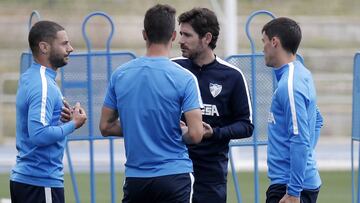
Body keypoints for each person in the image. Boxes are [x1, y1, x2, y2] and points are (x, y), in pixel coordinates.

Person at [99, 4, 204, 203]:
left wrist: (137, 126)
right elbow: (196, 133)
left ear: (144, 34)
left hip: (137, 178)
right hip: (174, 175)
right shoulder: (185, 78)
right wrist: (177, 130)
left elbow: (105, 126)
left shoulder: (120, 75)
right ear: (173, 36)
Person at [172, 8, 254, 203]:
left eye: (187, 35)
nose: (180, 40)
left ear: (206, 38)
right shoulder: (173, 69)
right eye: (180, 33)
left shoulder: (232, 76)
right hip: (174, 169)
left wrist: (214, 133)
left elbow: (246, 125)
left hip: (211, 176)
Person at [10, 21, 87, 203]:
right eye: (64, 43)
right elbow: (38, 134)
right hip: (39, 182)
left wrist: (63, 120)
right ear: (44, 47)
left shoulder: (33, 76)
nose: (71, 48)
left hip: (31, 181)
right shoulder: (42, 84)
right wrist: (73, 124)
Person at [262, 17, 323, 203]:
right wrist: (305, 159)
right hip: (293, 183)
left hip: (289, 187)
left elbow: (300, 138)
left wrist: (294, 192)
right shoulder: (301, 74)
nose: (262, 48)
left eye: (263, 42)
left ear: (274, 42)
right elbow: (318, 120)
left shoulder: (290, 84)